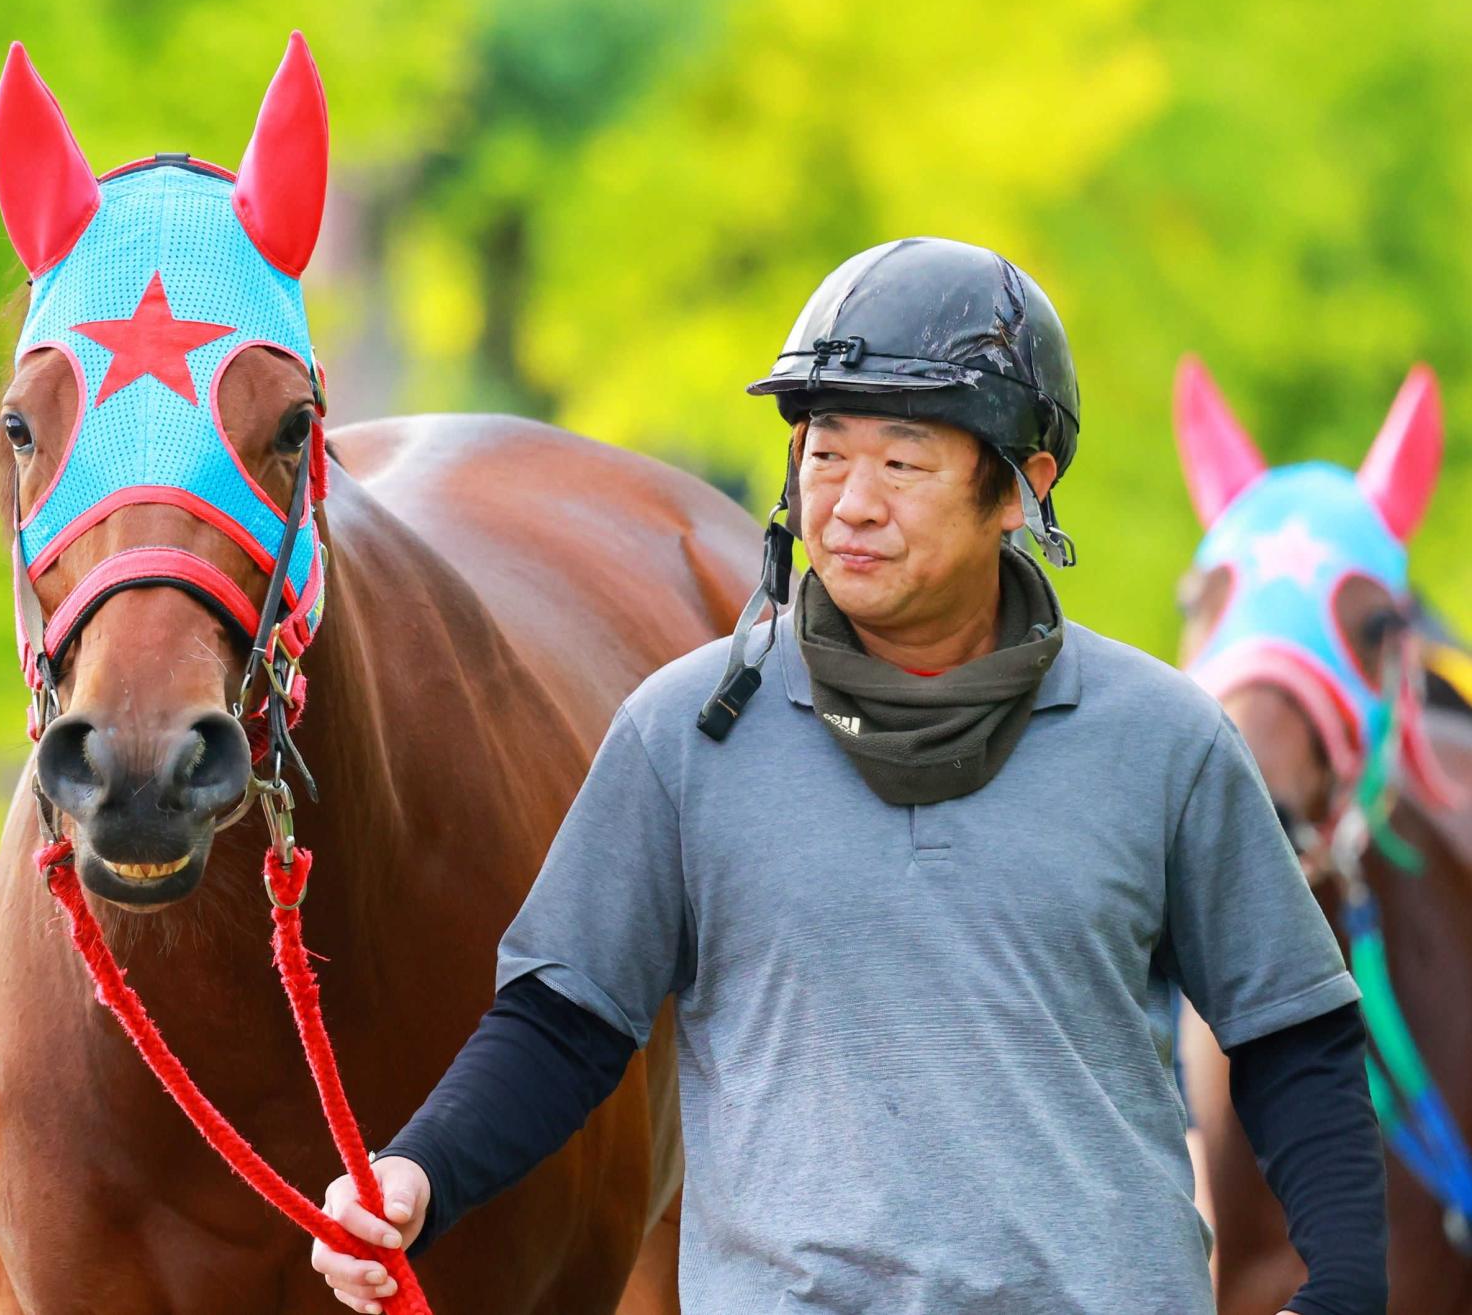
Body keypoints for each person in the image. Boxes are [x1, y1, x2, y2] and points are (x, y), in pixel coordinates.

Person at [309, 237, 1388, 1314]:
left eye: (902, 463)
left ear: (1022, 486)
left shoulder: (1165, 737)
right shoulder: (684, 734)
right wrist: (419, 1177)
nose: (850, 502)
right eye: (824, 454)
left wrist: (1343, 1285)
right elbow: (564, 1023)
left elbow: (1292, 1035)